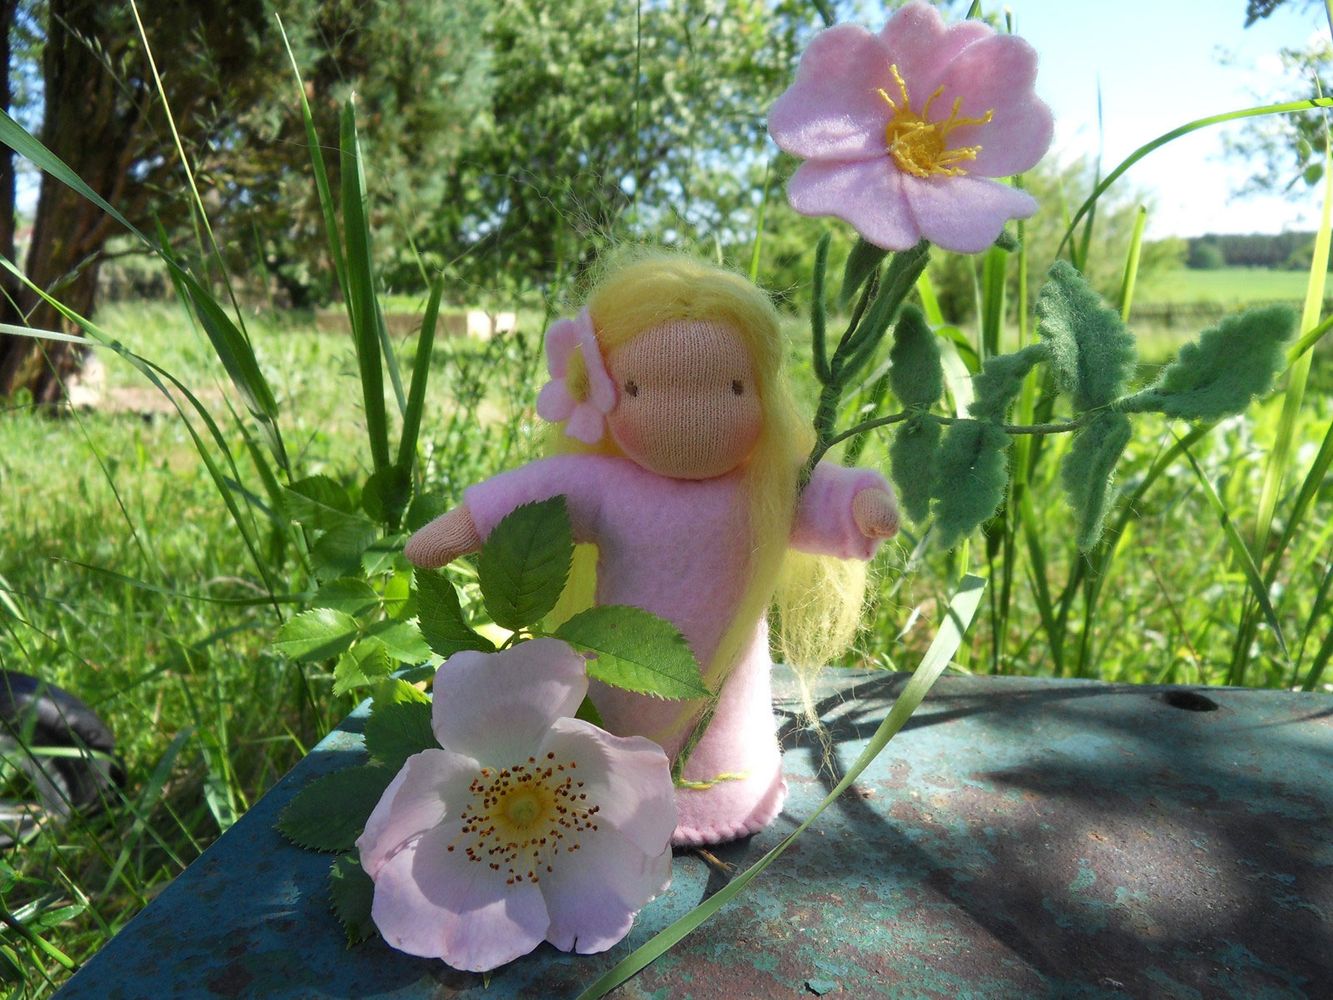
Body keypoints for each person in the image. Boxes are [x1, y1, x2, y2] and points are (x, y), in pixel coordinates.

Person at [406, 254, 898, 845]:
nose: (690, 418)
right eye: (639, 388)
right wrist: (462, 526)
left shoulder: (763, 489)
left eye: (733, 387)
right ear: (605, 393)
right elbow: (529, 496)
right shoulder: (606, 486)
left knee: (728, 720)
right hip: (619, 675)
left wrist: (863, 505)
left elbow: (828, 496)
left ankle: (716, 793)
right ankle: (614, 791)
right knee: (619, 726)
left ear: (760, 392)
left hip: (728, 716)